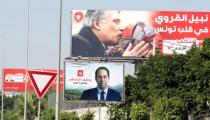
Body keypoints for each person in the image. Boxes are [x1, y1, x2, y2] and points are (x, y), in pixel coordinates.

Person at [72, 10, 152, 57]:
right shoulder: (77, 42)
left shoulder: (95, 46)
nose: (122, 28)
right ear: (97, 24)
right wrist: (125, 61)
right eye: (116, 22)